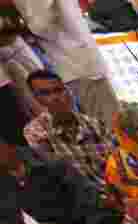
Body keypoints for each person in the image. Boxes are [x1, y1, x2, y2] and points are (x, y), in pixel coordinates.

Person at [0, 140, 132, 224]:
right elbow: (14, 223)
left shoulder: (45, 160)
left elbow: (88, 197)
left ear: (6, 146)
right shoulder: (5, 184)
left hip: (90, 220)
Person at [12, 0, 120, 128]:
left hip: (77, 61)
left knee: (107, 122)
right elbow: (42, 24)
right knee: (105, 121)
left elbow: (41, 25)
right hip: (77, 61)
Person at [23, 69, 114, 189]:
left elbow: (116, 160)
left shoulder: (93, 123)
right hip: (85, 200)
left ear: (67, 91)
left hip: (116, 190)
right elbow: (60, 176)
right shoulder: (35, 131)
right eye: (45, 93)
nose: (55, 97)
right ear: (36, 98)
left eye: (59, 90)